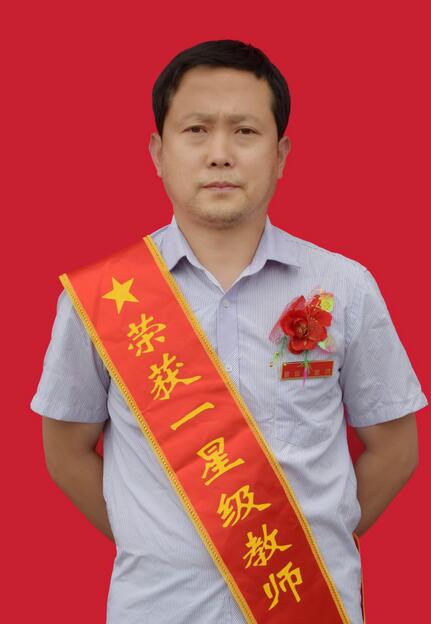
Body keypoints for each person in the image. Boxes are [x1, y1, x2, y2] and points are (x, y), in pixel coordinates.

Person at [30, 39, 428, 624]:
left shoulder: (345, 286)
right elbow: (65, 453)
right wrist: (163, 541)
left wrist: (308, 544)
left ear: (281, 153)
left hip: (305, 605)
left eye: (245, 131)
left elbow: (396, 449)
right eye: (196, 130)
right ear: (158, 152)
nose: (220, 154)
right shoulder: (98, 299)